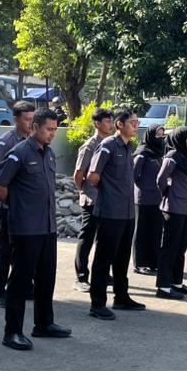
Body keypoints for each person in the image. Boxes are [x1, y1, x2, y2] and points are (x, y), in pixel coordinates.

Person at [0, 108, 70, 349]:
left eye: (55, 130)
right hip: (26, 228)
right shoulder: (19, 153)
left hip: (47, 226)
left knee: (47, 277)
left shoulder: (48, 154)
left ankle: (44, 323)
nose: (52, 134)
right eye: (48, 129)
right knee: (20, 281)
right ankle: (12, 332)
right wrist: (18, 206)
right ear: (35, 127)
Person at [86, 108, 146, 319]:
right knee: (104, 259)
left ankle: (121, 297)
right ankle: (97, 303)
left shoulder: (129, 147)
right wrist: (109, 193)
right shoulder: (108, 145)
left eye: (137, 122)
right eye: (132, 122)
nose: (136, 126)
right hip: (110, 211)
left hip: (127, 212)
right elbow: (93, 176)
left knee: (122, 258)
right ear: (120, 124)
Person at [0, 100, 36, 309]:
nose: (30, 123)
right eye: (27, 120)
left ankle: (21, 286)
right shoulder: (5, 142)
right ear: (16, 119)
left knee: (24, 250)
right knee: (6, 249)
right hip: (10, 206)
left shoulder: (32, 140)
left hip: (27, 208)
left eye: (33, 120)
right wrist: (10, 199)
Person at [73, 108, 115, 292]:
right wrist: (84, 191)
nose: (110, 125)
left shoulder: (110, 144)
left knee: (104, 239)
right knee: (87, 237)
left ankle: (102, 274)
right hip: (92, 200)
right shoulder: (90, 146)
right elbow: (78, 174)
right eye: (107, 121)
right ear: (97, 123)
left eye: (111, 121)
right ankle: (82, 275)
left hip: (106, 200)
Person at [155, 127, 187, 299]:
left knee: (181, 247)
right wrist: (169, 192)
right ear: (180, 140)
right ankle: (163, 286)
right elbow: (160, 179)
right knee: (170, 247)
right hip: (173, 207)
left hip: (186, 207)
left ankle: (176, 281)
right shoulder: (173, 156)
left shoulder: (186, 157)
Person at [132, 125, 166, 274]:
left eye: (162, 135)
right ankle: (140, 263)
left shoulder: (158, 154)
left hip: (157, 199)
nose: (160, 138)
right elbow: (133, 176)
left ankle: (154, 262)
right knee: (141, 231)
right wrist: (144, 188)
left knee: (156, 231)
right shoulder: (142, 154)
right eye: (157, 135)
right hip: (143, 199)